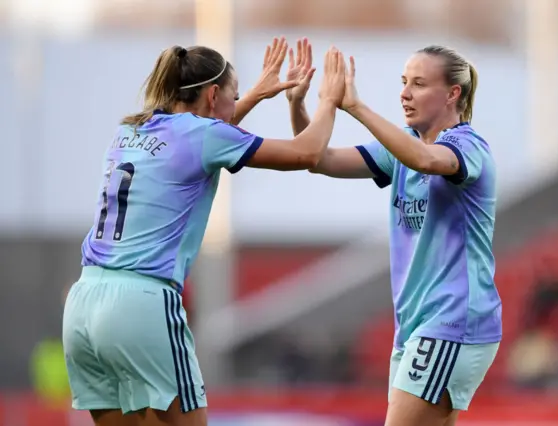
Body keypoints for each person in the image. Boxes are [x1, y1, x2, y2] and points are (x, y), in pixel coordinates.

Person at [62, 37, 346, 426]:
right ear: (213, 96)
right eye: (234, 94)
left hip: (83, 304)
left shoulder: (130, 130)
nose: (237, 103)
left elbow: (201, 139)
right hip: (141, 303)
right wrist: (329, 99)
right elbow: (307, 153)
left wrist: (255, 96)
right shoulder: (205, 136)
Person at [287, 42, 501, 426]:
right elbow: (318, 159)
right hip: (416, 327)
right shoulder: (402, 147)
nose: (404, 93)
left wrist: (355, 106)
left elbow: (425, 160)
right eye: (404, 82)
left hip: (452, 323)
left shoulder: (467, 147)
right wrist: (298, 104)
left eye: (418, 84)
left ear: (453, 93)